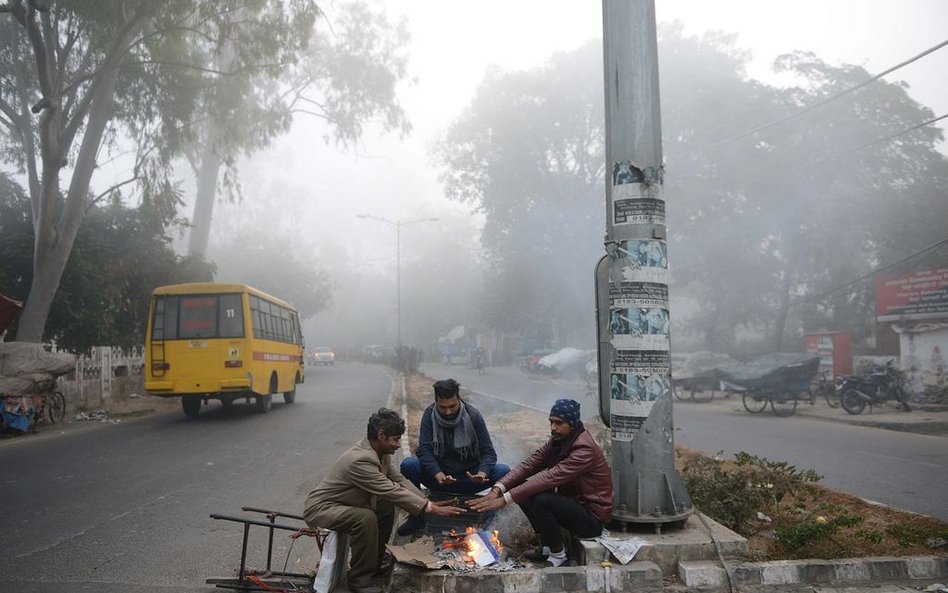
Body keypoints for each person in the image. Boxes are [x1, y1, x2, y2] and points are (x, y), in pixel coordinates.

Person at [303, 408, 465, 593]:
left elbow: (399, 481)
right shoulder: (361, 460)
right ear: (381, 435)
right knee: (365, 518)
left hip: (345, 504)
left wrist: (425, 500)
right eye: (395, 439)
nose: (397, 445)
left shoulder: (382, 454)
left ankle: (374, 565)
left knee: (385, 505)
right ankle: (359, 581)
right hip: (322, 508)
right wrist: (428, 507)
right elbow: (389, 489)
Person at [469, 398, 613, 567]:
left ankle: (559, 555)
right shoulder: (558, 442)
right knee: (524, 488)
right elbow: (529, 464)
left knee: (541, 499)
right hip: (574, 507)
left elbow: (549, 478)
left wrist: (505, 500)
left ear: (572, 424)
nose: (553, 428)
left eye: (559, 423)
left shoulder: (583, 449)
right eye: (551, 422)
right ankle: (546, 546)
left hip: (591, 519)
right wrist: (497, 490)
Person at [397, 378, 509, 535]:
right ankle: (418, 518)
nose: (448, 412)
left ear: (459, 399)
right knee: (409, 464)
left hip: (469, 479)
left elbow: (488, 453)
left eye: (452, 406)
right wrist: (438, 474)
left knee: (504, 471)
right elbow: (424, 451)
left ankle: (489, 524)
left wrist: (481, 474)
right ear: (435, 401)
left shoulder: (473, 415)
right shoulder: (429, 415)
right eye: (443, 408)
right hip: (439, 479)